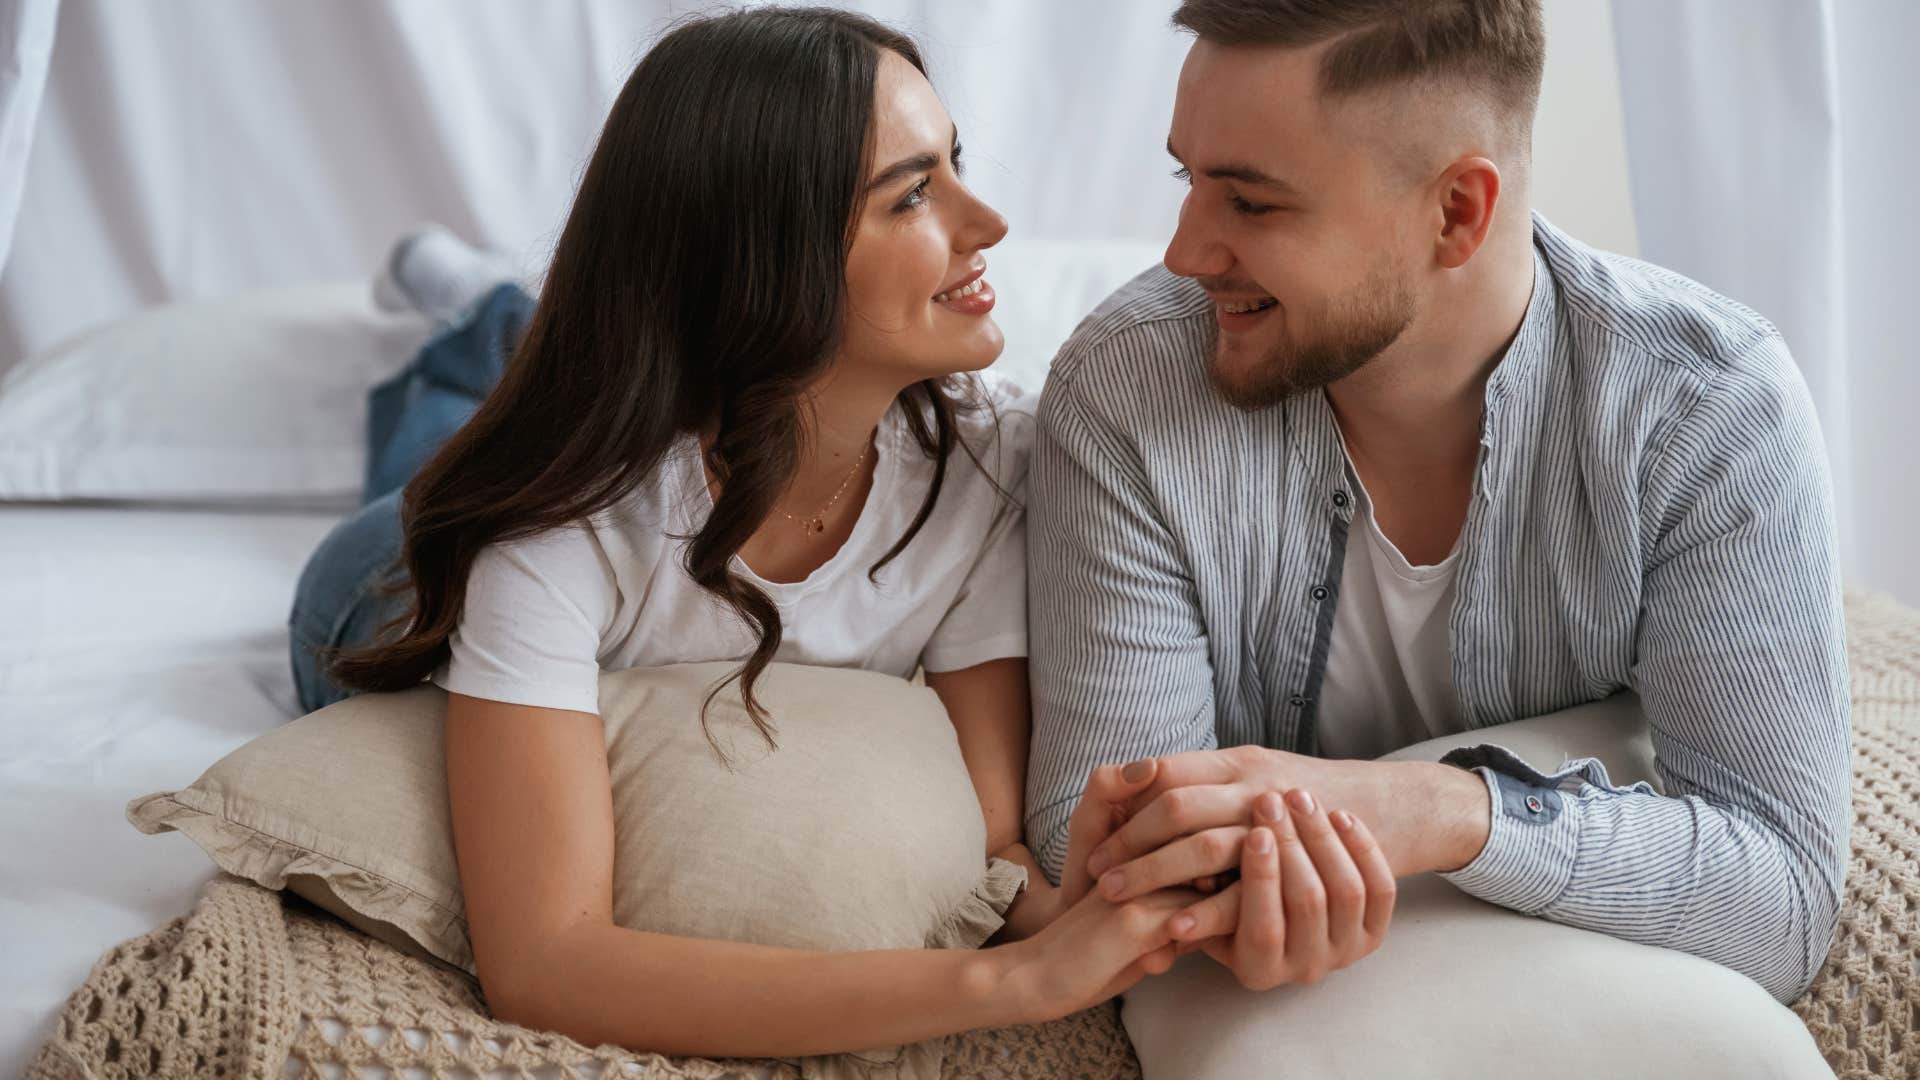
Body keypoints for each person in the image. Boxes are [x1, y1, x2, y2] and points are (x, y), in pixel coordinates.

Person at [286, 6, 1344, 1060]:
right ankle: (465, 326)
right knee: (437, 453)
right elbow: (545, 961)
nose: (989, 223)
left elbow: (993, 848)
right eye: (916, 194)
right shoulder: (555, 533)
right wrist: (1004, 982)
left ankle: (484, 311)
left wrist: (1118, 901)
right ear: (765, 256)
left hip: (704, 408)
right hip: (374, 575)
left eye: (957, 164)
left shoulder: (986, 468)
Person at [1025, 0, 1849, 1016]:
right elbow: (1089, 840)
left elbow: (1784, 896)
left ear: (1458, 211)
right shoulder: (1124, 390)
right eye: (1185, 179)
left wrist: (1442, 810)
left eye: (1251, 203)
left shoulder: (1706, 406)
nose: (1187, 251)